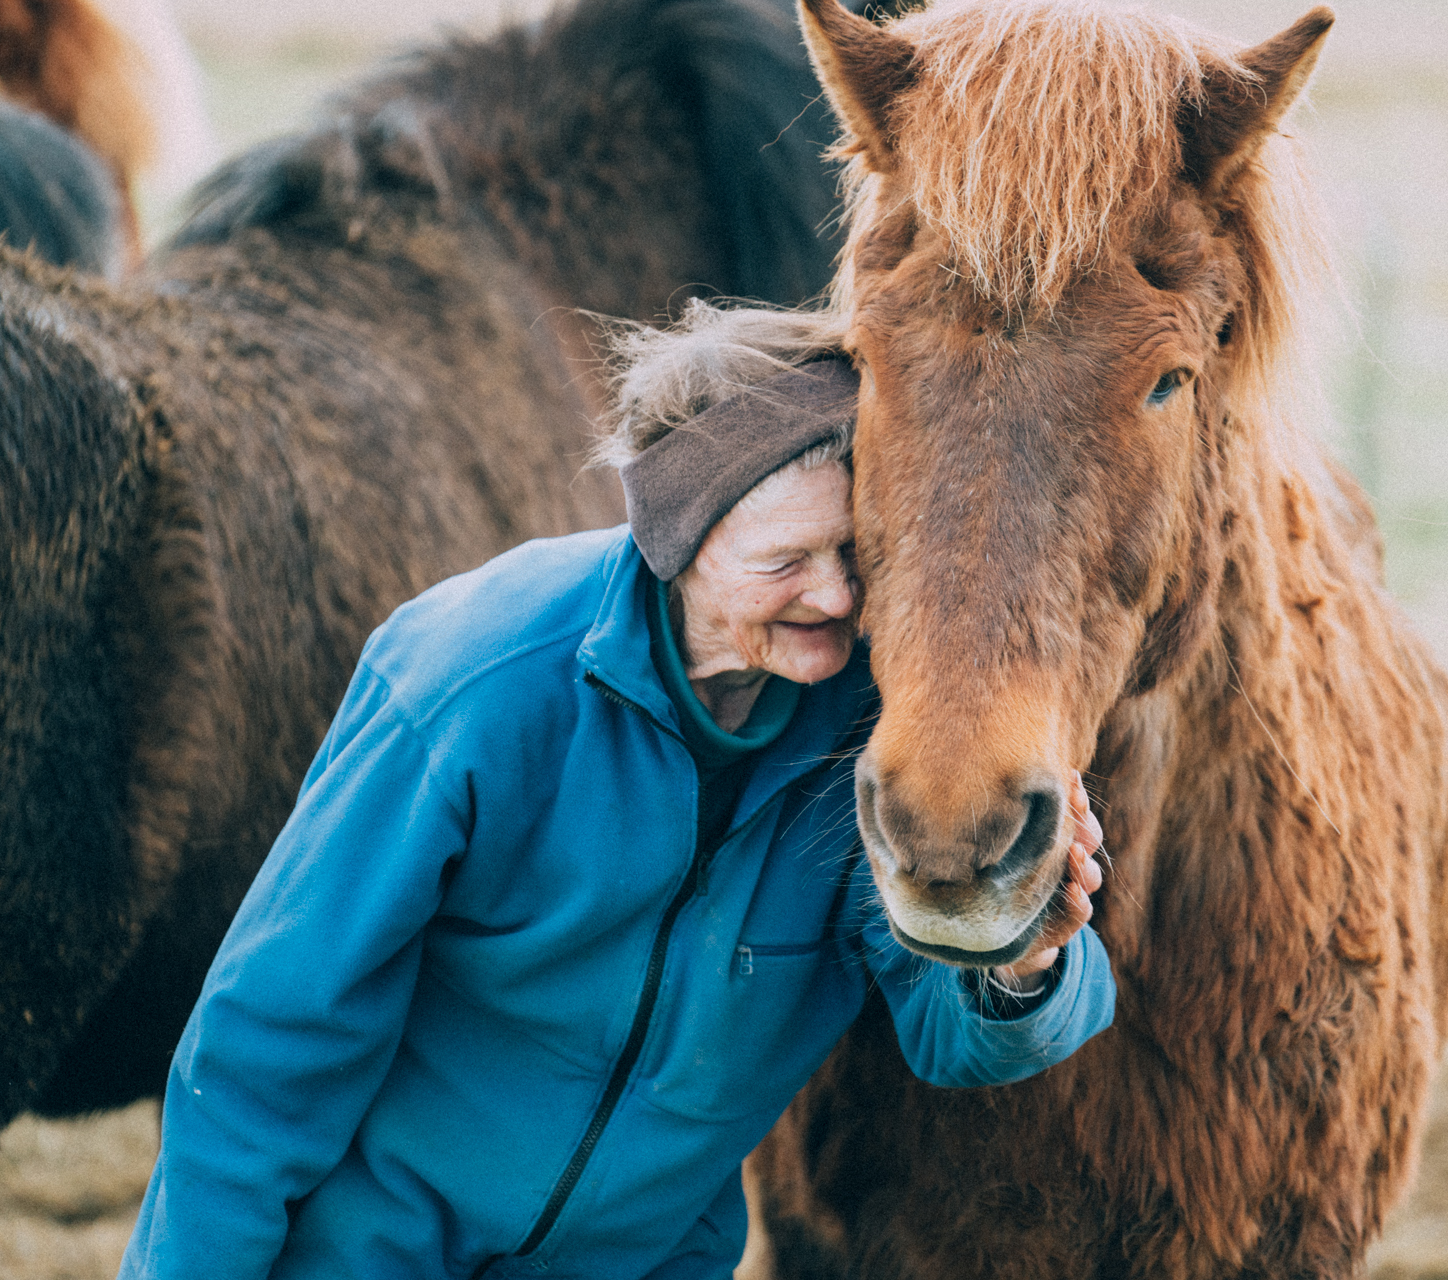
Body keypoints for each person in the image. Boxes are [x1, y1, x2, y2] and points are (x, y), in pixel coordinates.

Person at [117, 305, 1116, 1280]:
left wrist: (1019, 959)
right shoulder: (471, 682)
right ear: (678, 543)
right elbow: (268, 1044)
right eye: (786, 562)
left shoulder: (861, 729)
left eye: (855, 553)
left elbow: (949, 1036)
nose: (836, 597)